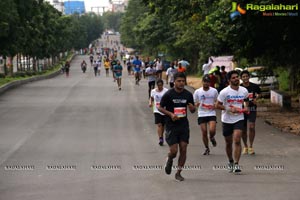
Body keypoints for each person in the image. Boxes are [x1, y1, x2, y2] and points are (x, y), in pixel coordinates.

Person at [158, 72, 196, 181]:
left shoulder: (188, 95)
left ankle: (179, 172)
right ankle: (170, 159)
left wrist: (192, 108)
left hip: (183, 125)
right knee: (174, 151)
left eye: (183, 81)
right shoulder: (169, 94)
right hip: (171, 126)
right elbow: (160, 108)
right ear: (174, 81)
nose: (181, 83)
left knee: (183, 148)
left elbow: (192, 110)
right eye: (179, 81)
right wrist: (170, 114)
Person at [216, 70, 249, 174]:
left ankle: (236, 163)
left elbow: (246, 101)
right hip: (226, 119)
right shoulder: (224, 92)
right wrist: (229, 109)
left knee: (237, 140)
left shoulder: (244, 90)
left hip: (239, 118)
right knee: (228, 142)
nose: (236, 79)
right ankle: (230, 161)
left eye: (237, 77)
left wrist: (246, 108)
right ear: (229, 80)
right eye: (233, 78)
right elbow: (217, 105)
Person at [193, 75, 219, 155]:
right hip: (202, 113)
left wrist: (215, 104)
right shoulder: (197, 92)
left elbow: (217, 100)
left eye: (208, 82)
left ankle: (211, 137)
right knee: (204, 132)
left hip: (211, 113)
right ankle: (206, 148)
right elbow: (194, 102)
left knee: (212, 130)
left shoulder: (214, 91)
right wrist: (196, 104)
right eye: (205, 82)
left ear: (210, 83)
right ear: (202, 82)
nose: (206, 83)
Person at [240, 70, 261, 155]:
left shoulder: (254, 86)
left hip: (252, 108)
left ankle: (251, 146)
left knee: (252, 127)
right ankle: (245, 146)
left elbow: (259, 93)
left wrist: (256, 98)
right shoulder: (239, 87)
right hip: (242, 110)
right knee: (243, 129)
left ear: (249, 77)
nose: (245, 78)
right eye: (243, 77)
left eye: (246, 76)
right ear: (241, 78)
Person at [149, 79, 168, 146]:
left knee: (163, 125)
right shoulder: (153, 91)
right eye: (158, 85)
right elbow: (151, 98)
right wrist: (150, 103)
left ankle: (162, 136)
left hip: (164, 110)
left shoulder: (166, 91)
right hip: (157, 110)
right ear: (157, 85)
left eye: (161, 85)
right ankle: (160, 138)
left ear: (162, 85)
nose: (160, 87)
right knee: (159, 124)